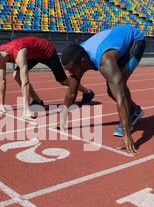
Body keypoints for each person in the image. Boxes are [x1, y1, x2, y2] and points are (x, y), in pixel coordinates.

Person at [59, 25, 146, 154]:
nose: (70, 73)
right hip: (113, 43)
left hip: (134, 41)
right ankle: (135, 110)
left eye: (71, 69)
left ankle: (132, 114)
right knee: (112, 89)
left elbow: (121, 95)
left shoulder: (105, 61)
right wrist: (62, 121)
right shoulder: (78, 57)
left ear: (82, 62)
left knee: (115, 89)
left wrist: (126, 135)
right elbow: (72, 92)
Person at [0, 36, 95, 119]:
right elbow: (2, 81)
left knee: (63, 80)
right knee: (16, 76)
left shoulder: (19, 53)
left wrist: (26, 110)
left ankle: (88, 92)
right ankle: (37, 101)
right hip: (33, 54)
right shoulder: (0, 52)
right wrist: (2, 104)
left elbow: (25, 82)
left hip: (46, 51)